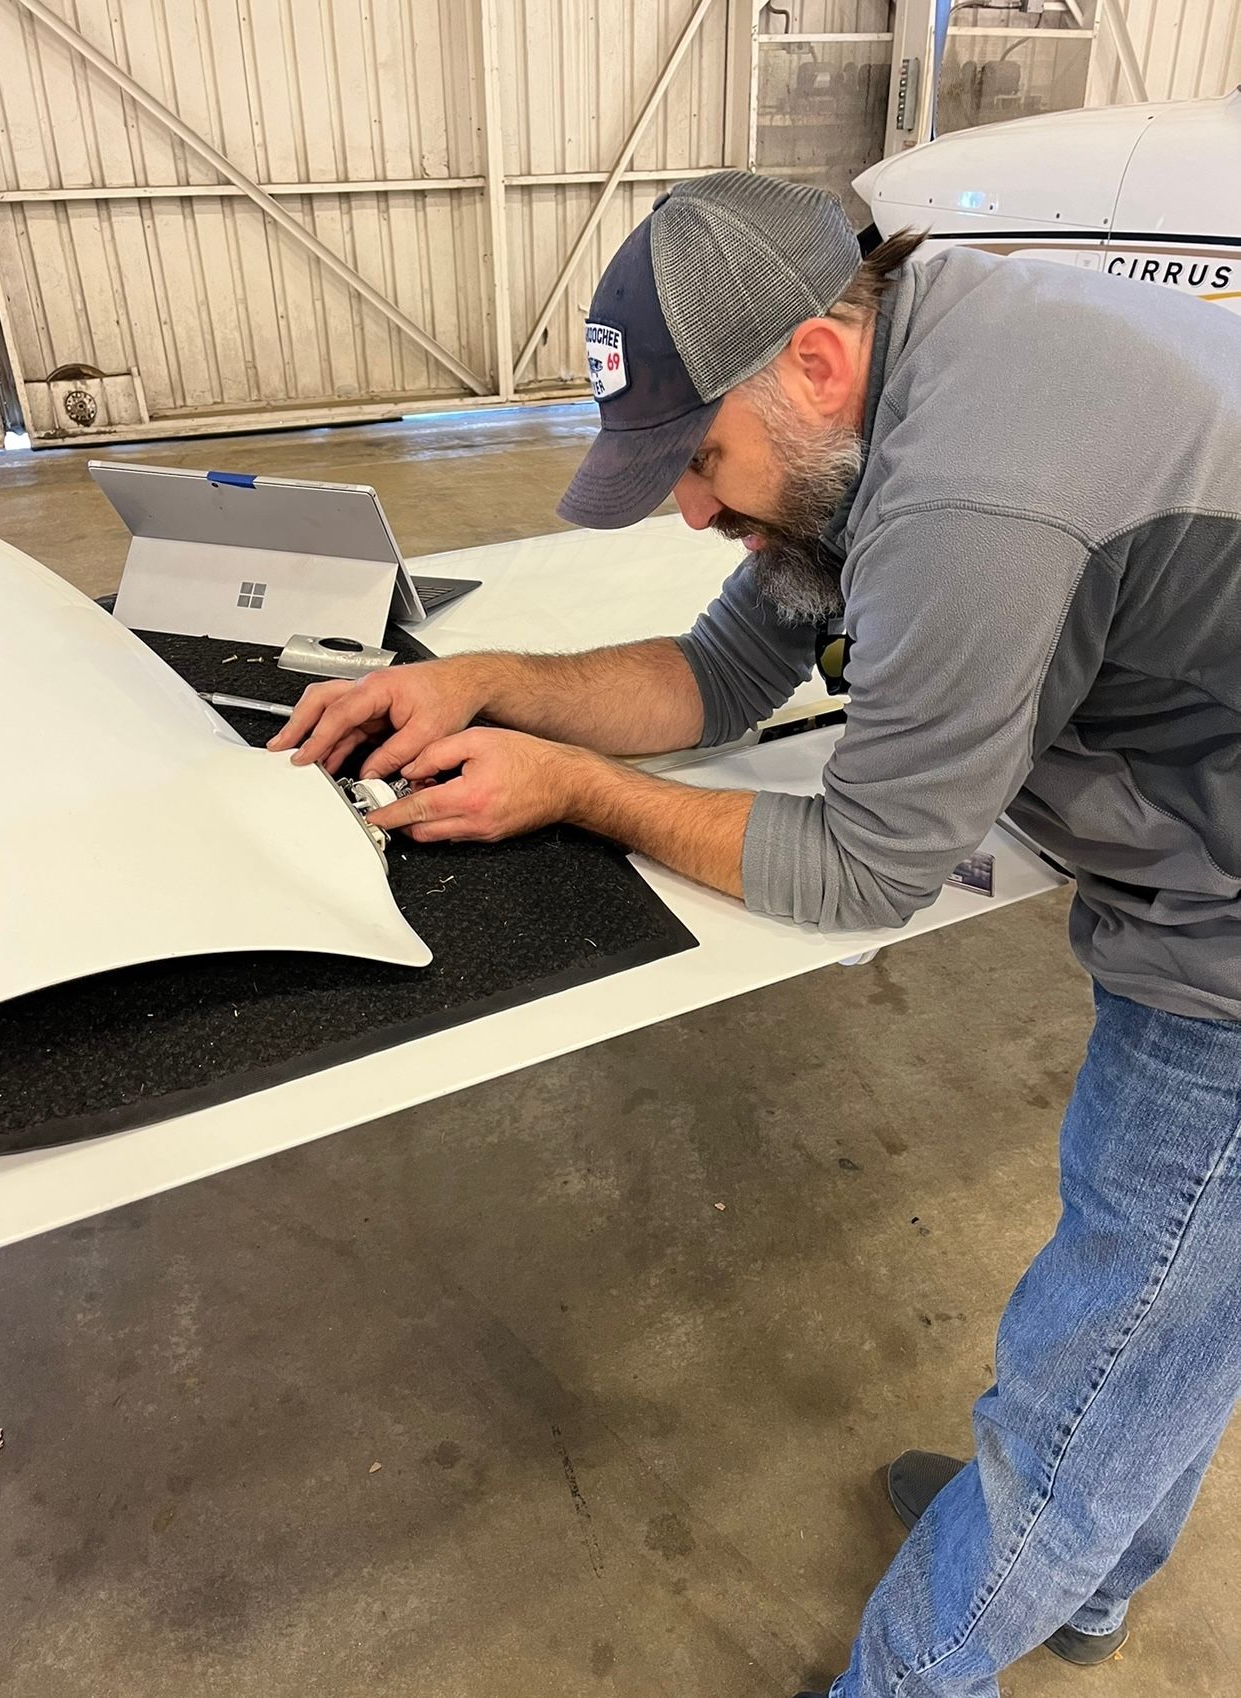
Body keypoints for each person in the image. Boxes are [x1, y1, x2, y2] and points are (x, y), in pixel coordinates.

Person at [270, 172, 1241, 1696]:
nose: (694, 506)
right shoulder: (891, 382)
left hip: (1231, 936)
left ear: (811, 358)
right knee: (1164, 1301)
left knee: (1109, 1348)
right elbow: (720, 679)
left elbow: (864, 870)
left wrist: (579, 792)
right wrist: (486, 683)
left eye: (701, 457)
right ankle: (1087, 1572)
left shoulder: (970, 499)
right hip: (1195, 834)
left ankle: (960, 1624)